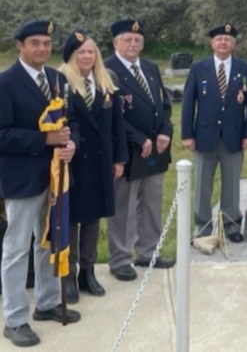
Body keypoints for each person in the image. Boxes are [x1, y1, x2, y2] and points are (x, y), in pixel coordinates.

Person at [0, 20, 80, 348]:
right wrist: (45, 139)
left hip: (54, 177)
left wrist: (71, 142)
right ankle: (15, 319)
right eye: (35, 43)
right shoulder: (6, 82)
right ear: (20, 45)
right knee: (17, 249)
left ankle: (46, 303)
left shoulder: (57, 78)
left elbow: (69, 122)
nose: (42, 49)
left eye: (47, 43)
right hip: (21, 179)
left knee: (48, 240)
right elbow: (2, 135)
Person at [59, 30, 127, 303]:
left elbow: (117, 124)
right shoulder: (61, 82)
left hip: (100, 160)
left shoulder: (106, 81)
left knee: (93, 218)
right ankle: (69, 276)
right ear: (71, 56)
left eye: (90, 51)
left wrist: (119, 157)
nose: (86, 56)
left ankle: (88, 272)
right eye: (81, 52)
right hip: (73, 162)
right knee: (72, 218)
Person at [105, 19, 174, 281]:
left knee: (152, 202)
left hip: (156, 148)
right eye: (128, 40)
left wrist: (166, 131)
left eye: (138, 40)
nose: (133, 44)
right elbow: (113, 115)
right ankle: (120, 258)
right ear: (115, 43)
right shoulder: (107, 70)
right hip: (128, 149)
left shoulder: (150, 67)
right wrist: (139, 138)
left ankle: (148, 252)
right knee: (124, 206)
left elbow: (164, 105)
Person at [181, 24, 247, 243]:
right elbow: (188, 103)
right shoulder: (199, 68)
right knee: (203, 183)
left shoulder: (245, 69)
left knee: (232, 183)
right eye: (219, 39)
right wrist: (187, 134)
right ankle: (202, 225)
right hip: (204, 136)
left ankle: (231, 225)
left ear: (234, 44)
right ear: (212, 43)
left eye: (227, 39)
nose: (223, 43)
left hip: (234, 136)